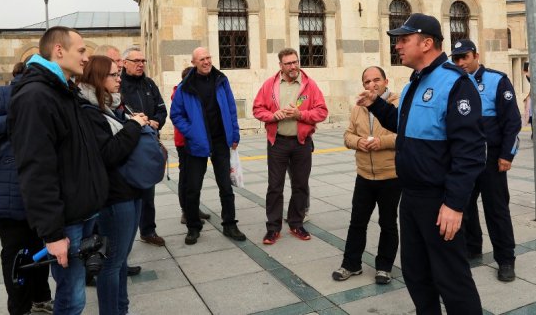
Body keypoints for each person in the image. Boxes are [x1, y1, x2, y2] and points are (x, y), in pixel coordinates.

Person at [358, 13, 485, 314]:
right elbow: (405, 125)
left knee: (452, 280)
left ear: (427, 43)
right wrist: (375, 104)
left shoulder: (456, 84)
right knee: (417, 275)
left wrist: (454, 204)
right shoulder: (415, 82)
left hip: (439, 200)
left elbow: (470, 152)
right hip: (411, 197)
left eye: (404, 39)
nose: (398, 45)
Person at [8, 26, 109, 315]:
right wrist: (52, 235)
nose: (86, 57)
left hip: (84, 211)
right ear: (59, 50)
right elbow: (36, 171)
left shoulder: (64, 90)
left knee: (75, 292)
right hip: (66, 220)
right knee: (72, 297)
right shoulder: (36, 96)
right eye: (81, 51)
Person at [0, 62, 53, 315]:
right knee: (15, 253)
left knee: (40, 248)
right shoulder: (6, 94)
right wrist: (14, 120)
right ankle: (19, 308)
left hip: (38, 187)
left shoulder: (48, 95)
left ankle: (41, 298)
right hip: (5, 191)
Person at [78, 55, 148, 315]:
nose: (119, 79)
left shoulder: (109, 107)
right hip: (115, 196)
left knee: (120, 260)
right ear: (98, 78)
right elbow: (108, 154)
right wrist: (133, 126)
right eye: (113, 75)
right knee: (113, 262)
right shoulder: (89, 111)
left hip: (129, 189)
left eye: (119, 74)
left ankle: (121, 309)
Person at [452, 39, 521, 282]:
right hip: (464, 158)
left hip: (491, 159)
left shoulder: (496, 80)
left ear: (476, 56)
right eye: (456, 58)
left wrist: (506, 154)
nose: (461, 62)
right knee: (464, 206)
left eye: (465, 57)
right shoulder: (453, 82)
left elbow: (512, 122)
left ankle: (506, 259)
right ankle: (473, 247)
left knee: (497, 210)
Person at [170, 47, 246, 245]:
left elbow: (231, 108)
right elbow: (176, 114)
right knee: (193, 188)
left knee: (226, 186)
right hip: (197, 143)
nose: (206, 62)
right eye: (202, 59)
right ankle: (193, 227)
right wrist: (192, 131)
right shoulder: (185, 86)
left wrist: (235, 133)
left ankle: (230, 224)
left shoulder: (221, 80)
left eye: (209, 58)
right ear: (194, 62)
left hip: (220, 140)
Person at [252, 48, 328, 244]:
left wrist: (300, 115)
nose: (293, 66)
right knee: (275, 186)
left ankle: (296, 223)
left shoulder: (309, 85)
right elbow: (257, 109)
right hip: (277, 142)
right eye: (288, 63)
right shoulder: (270, 85)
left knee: (300, 185)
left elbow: (321, 112)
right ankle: (273, 227)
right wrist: (272, 116)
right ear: (281, 66)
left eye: (295, 62)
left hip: (302, 142)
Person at [332, 66, 400, 284]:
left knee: (388, 223)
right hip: (364, 175)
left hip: (390, 175)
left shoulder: (398, 103)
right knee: (357, 222)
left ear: (386, 81)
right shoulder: (358, 107)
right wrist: (357, 142)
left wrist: (382, 142)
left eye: (376, 80)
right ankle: (351, 264)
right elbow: (347, 135)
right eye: (367, 82)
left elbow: (407, 135)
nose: (371, 85)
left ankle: (384, 267)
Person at [120, 46, 167, 247]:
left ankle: (148, 230)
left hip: (149, 143)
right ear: (125, 63)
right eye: (136, 61)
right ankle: (124, 237)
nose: (141, 65)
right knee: (128, 193)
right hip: (129, 145)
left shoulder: (149, 84)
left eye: (143, 61)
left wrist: (156, 121)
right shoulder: (119, 86)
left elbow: (162, 109)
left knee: (148, 190)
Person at [173, 67, 211, 225]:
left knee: (196, 178)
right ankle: (186, 212)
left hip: (197, 142)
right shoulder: (180, 93)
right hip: (184, 142)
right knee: (186, 178)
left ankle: (194, 209)